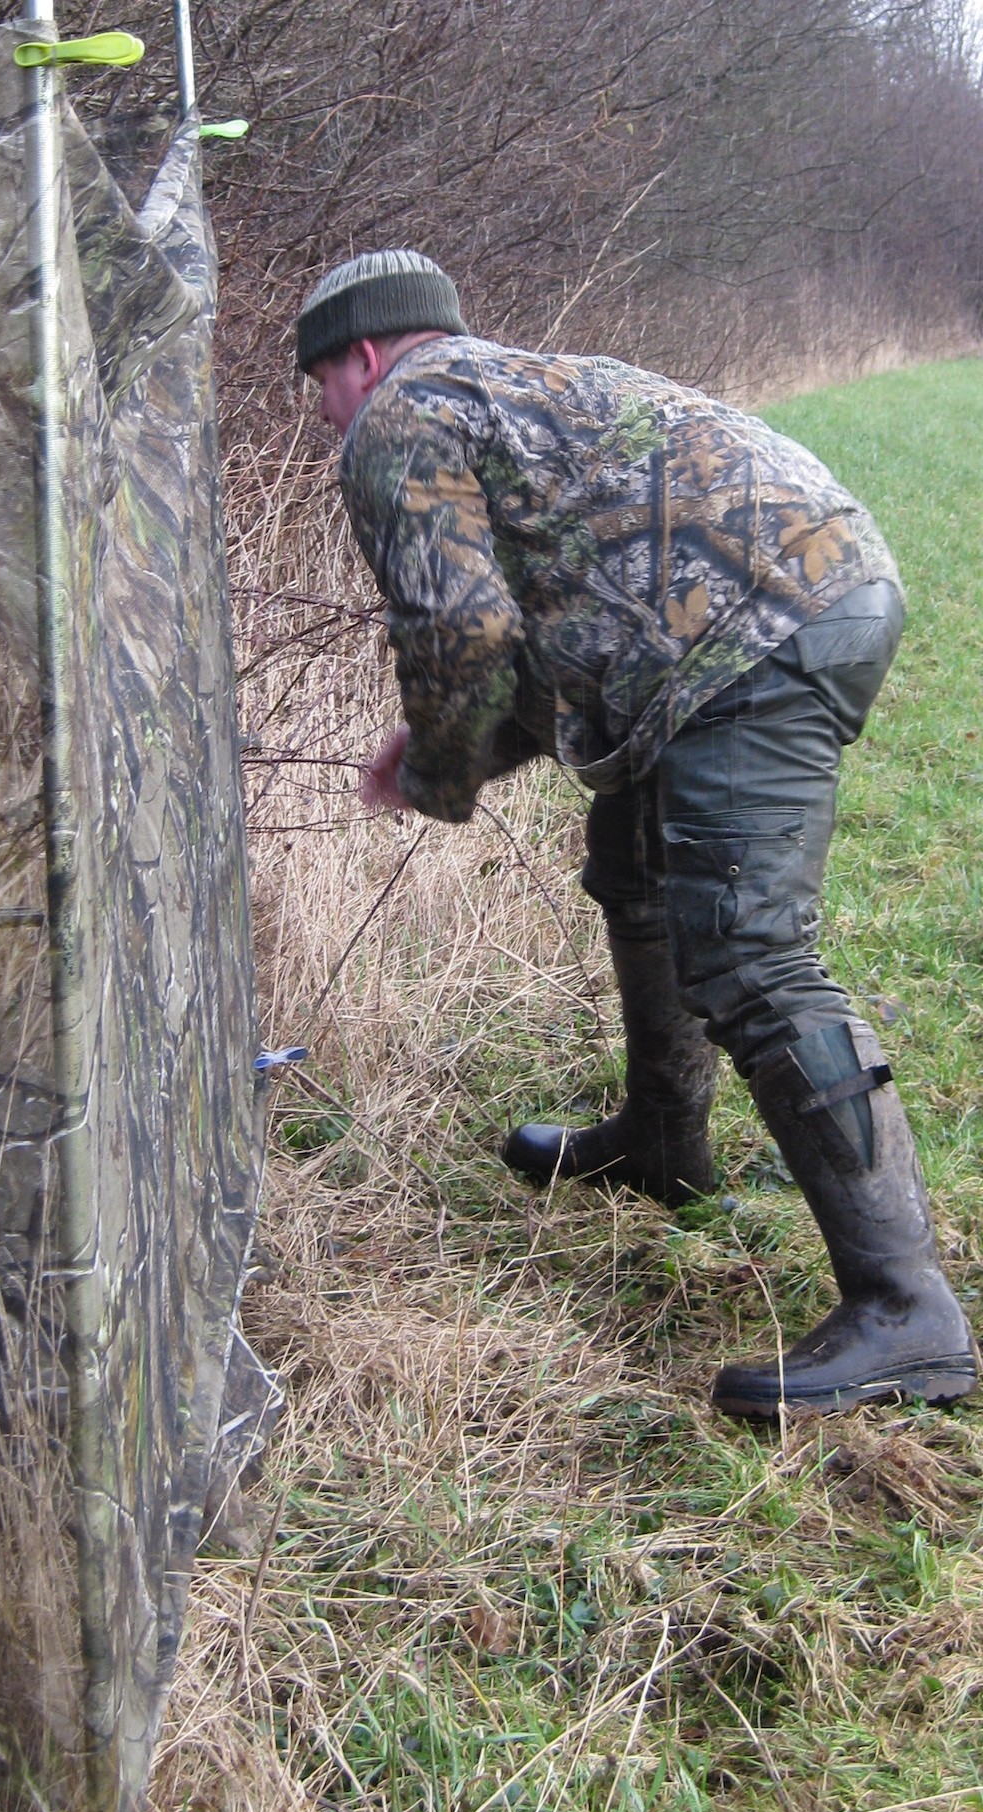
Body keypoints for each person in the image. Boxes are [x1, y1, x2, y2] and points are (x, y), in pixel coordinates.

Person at [295, 247, 977, 1418]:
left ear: (359, 354)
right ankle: (665, 1140)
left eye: (320, 383)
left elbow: (458, 629)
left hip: (756, 635)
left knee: (753, 957)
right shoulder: (512, 388)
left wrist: (439, 775)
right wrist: (461, 749)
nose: (324, 413)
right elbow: (532, 631)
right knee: (636, 870)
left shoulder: (399, 416)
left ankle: (907, 1309)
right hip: (806, 591)